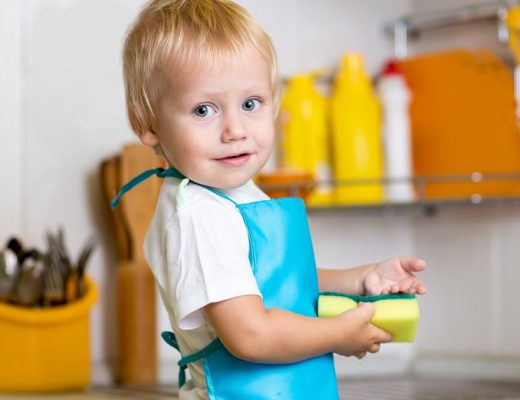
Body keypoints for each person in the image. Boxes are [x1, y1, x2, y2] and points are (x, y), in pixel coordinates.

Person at [114, 0, 427, 398]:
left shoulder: (236, 195)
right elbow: (250, 334)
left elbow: (279, 286)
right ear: (148, 123)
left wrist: (361, 279)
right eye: (204, 109)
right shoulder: (200, 215)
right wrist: (337, 334)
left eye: (250, 104)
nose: (235, 130)